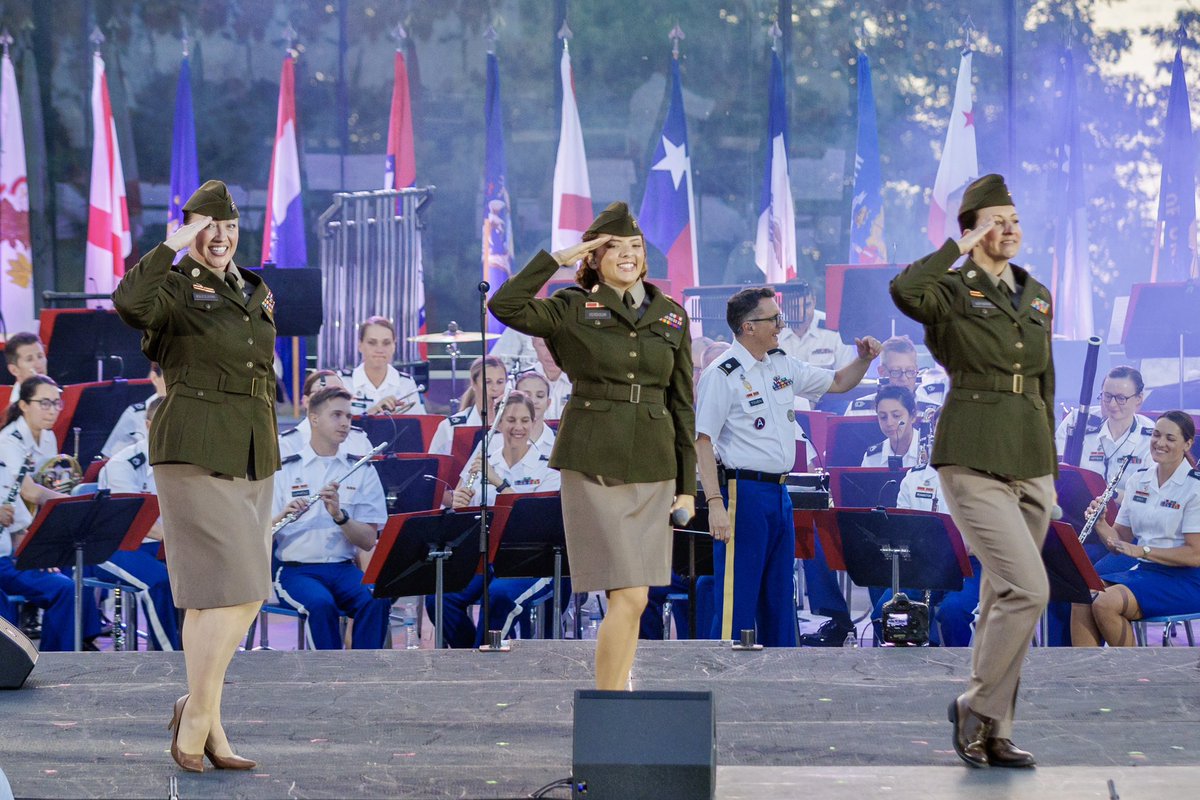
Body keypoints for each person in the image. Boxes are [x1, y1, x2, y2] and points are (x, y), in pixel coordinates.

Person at [489, 201, 695, 690]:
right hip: (593, 461)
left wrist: (688, 488)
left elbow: (683, 404)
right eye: (614, 247)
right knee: (626, 592)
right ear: (594, 257)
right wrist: (554, 261)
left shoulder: (671, 316)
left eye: (635, 247)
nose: (627, 255)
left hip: (655, 462)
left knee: (637, 596)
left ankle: (617, 691)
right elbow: (506, 306)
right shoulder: (572, 306)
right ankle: (611, 702)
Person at [891, 173, 1057, 769]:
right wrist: (956, 250)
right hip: (972, 450)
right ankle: (974, 705)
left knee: (1000, 600)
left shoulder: (1035, 293)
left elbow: (1045, 382)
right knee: (1029, 589)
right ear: (971, 230)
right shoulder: (952, 287)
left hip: (1030, 456)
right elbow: (905, 291)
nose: (1009, 229)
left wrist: (1051, 468)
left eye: (1014, 219)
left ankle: (995, 729)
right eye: (996, 220)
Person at [113, 179, 279, 773]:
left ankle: (203, 716)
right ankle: (198, 718)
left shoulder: (254, 289)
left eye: (229, 226)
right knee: (239, 589)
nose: (222, 236)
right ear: (190, 231)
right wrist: (173, 245)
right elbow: (129, 303)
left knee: (224, 597)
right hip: (195, 444)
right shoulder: (176, 287)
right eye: (209, 226)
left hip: (254, 447)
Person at [695, 287, 881, 646]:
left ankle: (779, 677)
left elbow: (839, 382)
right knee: (738, 596)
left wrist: (863, 359)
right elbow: (703, 442)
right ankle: (726, 682)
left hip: (780, 492)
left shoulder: (781, 363)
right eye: (773, 319)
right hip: (741, 493)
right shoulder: (722, 374)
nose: (781, 325)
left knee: (781, 594)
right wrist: (715, 504)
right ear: (749, 326)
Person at [431, 391, 564, 646]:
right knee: (439, 597)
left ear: (534, 422)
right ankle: (469, 656)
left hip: (529, 560)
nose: (518, 427)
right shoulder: (483, 457)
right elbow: (459, 501)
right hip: (482, 556)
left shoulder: (547, 465)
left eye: (525, 420)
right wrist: (459, 502)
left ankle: (484, 660)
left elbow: (535, 520)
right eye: (511, 420)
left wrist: (499, 483)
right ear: (499, 423)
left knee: (498, 597)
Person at [271, 387, 391, 650]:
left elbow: (369, 540)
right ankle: (328, 680)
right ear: (314, 419)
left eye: (348, 416)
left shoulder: (361, 470)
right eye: (336, 415)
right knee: (320, 605)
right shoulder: (286, 469)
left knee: (376, 599)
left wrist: (340, 516)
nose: (345, 423)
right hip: (295, 570)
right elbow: (258, 530)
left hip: (343, 568)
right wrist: (284, 514)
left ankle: (364, 677)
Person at [1071, 411, 1200, 647]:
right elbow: (1119, 540)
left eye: (1170, 438)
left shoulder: (1195, 487)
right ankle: (1087, 678)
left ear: (1187, 443)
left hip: (1186, 580)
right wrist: (1100, 523)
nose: (1160, 443)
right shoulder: (1138, 481)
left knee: (1105, 603)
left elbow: (1195, 555)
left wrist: (1143, 551)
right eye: (1156, 435)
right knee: (1081, 594)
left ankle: (1133, 679)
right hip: (1146, 572)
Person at [0, 375, 102, 651]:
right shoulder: (8, 442)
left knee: (84, 555)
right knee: (63, 582)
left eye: (56, 402)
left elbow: (46, 486)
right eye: (44, 403)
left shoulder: (47, 437)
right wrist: (75, 503)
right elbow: (31, 493)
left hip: (29, 532)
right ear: (23, 405)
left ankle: (82, 636)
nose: (52, 409)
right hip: (12, 546)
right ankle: (58, 656)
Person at [96, 396, 180, 651]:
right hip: (116, 545)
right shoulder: (123, 464)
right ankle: (171, 656)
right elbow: (132, 522)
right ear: (148, 425)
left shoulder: (186, 461)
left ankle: (208, 653)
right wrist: (181, 541)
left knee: (210, 574)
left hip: (165, 544)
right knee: (161, 582)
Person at [1055, 365, 1154, 497]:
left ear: (1139, 398)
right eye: (1107, 396)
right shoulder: (1078, 421)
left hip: (1125, 512)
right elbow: (1058, 471)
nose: (1112, 404)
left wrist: (1109, 495)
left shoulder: (1151, 435)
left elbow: (1149, 496)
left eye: (1121, 398)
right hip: (1077, 505)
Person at [279, 370, 373, 459]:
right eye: (324, 394)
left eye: (339, 394)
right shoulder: (287, 444)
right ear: (306, 401)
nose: (334, 400)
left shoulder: (359, 440)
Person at [427, 355, 507, 456]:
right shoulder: (450, 427)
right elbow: (434, 467)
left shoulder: (515, 424)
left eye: (500, 382)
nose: (495, 388)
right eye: (487, 382)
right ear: (473, 383)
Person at [347, 316, 426, 415]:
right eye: (372, 343)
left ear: (394, 346)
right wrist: (371, 413)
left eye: (386, 343)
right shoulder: (344, 383)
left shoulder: (406, 384)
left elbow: (418, 426)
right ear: (360, 345)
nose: (379, 350)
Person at [776, 280, 857, 370]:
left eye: (807, 305)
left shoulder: (833, 327)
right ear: (783, 307)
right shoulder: (773, 330)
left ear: (814, 301)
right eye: (795, 308)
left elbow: (847, 375)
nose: (802, 314)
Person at [101, 363, 167, 457]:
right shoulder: (135, 415)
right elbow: (110, 459)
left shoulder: (192, 411)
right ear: (155, 378)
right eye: (171, 378)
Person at [844, 335, 921, 415]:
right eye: (896, 372)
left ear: (917, 370)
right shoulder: (858, 412)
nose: (904, 379)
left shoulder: (931, 411)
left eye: (910, 371)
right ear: (882, 372)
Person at [861, 386, 921, 468]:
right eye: (883, 417)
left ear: (913, 416)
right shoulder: (872, 457)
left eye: (896, 416)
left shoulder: (933, 451)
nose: (889, 423)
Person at [514, 371, 558, 454]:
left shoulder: (561, 442)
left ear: (548, 403)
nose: (534, 401)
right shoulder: (493, 441)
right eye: (526, 395)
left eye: (540, 396)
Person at [531, 337, 573, 420]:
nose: (551, 354)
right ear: (533, 344)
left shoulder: (582, 382)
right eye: (544, 345)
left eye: (558, 346)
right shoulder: (516, 383)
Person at [4, 331, 46, 409]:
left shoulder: (53, 392)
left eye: (40, 356)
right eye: (29, 359)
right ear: (14, 370)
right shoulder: (18, 408)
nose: (38, 364)